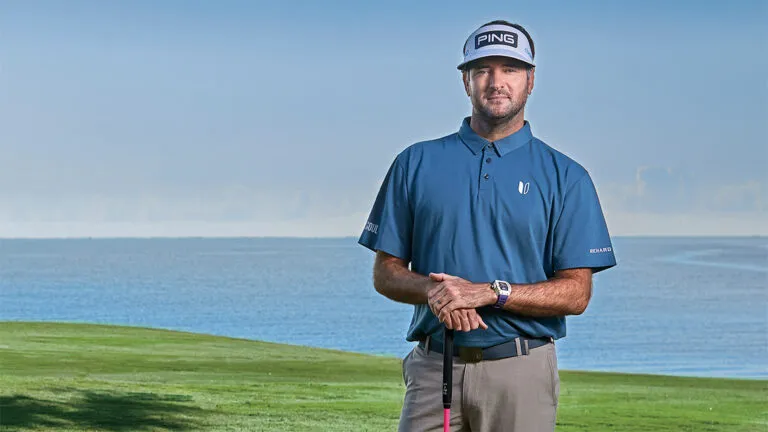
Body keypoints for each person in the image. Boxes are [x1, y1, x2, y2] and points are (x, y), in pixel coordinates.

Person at [358, 20, 616, 432]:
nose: (496, 82)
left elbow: (577, 292)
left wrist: (488, 293)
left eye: (510, 69)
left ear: (530, 80)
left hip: (520, 369)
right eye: (482, 70)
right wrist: (440, 292)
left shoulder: (567, 176)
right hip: (433, 368)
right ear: (466, 81)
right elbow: (385, 272)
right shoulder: (415, 163)